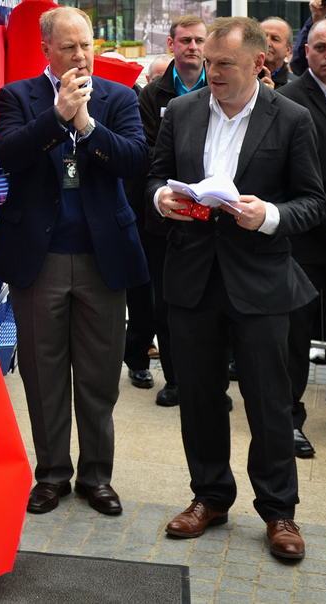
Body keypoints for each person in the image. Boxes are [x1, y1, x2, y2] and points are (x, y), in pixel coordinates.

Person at [147, 17, 325, 560]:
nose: (211, 71)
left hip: (262, 283)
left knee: (269, 403)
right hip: (193, 279)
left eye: (225, 64)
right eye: (210, 62)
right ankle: (210, 497)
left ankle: (279, 513)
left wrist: (267, 214)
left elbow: (312, 201)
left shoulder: (291, 118)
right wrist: (163, 201)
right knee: (199, 396)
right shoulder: (180, 111)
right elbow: (154, 179)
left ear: (257, 66)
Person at [0, 7, 149, 517]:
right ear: (46, 50)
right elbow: (9, 154)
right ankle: (52, 475)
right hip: (42, 258)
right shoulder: (17, 96)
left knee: (99, 377)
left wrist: (87, 125)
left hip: (104, 259)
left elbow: (135, 162)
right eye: (70, 47)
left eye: (87, 45)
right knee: (43, 373)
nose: (82, 56)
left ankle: (97, 477)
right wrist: (57, 118)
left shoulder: (120, 97)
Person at [138, 15, 208, 407]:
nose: (193, 47)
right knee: (165, 303)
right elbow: (149, 154)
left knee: (211, 302)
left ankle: (208, 382)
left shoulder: (218, 87)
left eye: (200, 40)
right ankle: (175, 380)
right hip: (165, 217)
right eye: (185, 40)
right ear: (171, 44)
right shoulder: (152, 95)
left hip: (212, 215)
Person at [278, 17, 326, 450]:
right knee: (296, 335)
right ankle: (289, 420)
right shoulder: (290, 99)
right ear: (306, 51)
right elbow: (300, 171)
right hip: (310, 237)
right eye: (320, 48)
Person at [260, 17, 298, 89]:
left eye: (275, 39)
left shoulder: (296, 87)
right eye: (263, 37)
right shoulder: (242, 79)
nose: (267, 43)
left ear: (288, 50)